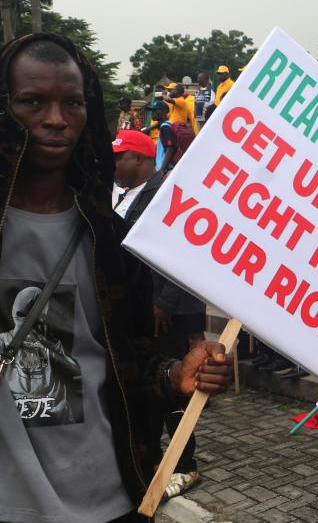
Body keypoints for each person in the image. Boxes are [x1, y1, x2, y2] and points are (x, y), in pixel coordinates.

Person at [0, 32, 230, 522]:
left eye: (73, 103)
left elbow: (132, 358)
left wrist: (175, 374)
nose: (57, 119)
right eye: (33, 101)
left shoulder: (109, 240)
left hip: (110, 498)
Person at [111, 129, 209, 497]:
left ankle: (185, 465)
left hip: (166, 312)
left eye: (119, 157)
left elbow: (183, 250)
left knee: (175, 389)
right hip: (141, 311)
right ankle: (153, 459)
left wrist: (164, 302)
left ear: (138, 158)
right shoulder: (124, 195)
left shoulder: (164, 192)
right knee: (145, 390)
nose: (113, 165)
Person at [145, 101, 178, 172]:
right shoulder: (166, 124)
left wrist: (162, 170)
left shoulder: (165, 127)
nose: (152, 113)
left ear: (163, 112)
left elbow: (170, 148)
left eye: (154, 110)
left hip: (164, 169)